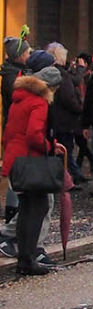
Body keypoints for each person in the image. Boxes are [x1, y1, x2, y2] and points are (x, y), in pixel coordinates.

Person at [1, 65, 63, 275]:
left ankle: (24, 258)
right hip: (30, 161)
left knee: (27, 207)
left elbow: (10, 132)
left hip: (15, 159)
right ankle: (28, 259)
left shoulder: (20, 99)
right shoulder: (39, 102)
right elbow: (34, 134)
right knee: (38, 207)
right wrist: (50, 147)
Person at [46, 43, 85, 185]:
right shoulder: (61, 75)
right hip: (65, 120)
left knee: (62, 150)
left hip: (57, 120)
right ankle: (69, 178)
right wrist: (80, 108)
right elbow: (69, 98)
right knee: (65, 150)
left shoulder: (51, 73)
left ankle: (72, 175)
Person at [2, 34, 31, 123]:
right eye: (28, 53)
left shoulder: (13, 71)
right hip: (15, 123)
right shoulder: (12, 76)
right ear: (21, 56)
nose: (30, 56)